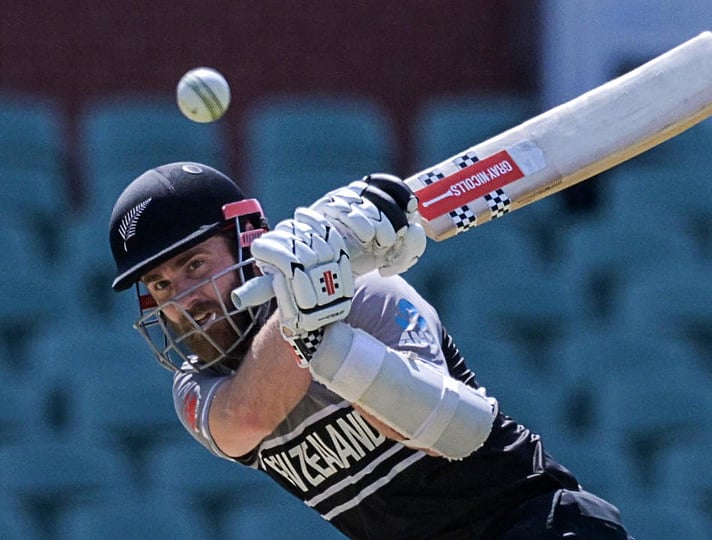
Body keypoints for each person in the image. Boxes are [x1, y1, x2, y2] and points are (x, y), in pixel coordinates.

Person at [108, 161, 631, 539]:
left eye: (196, 266)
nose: (183, 299)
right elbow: (247, 416)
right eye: (159, 284)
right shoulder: (196, 388)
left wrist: (326, 332)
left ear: (247, 242)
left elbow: (451, 431)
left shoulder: (368, 293)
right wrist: (305, 326)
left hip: (531, 525)